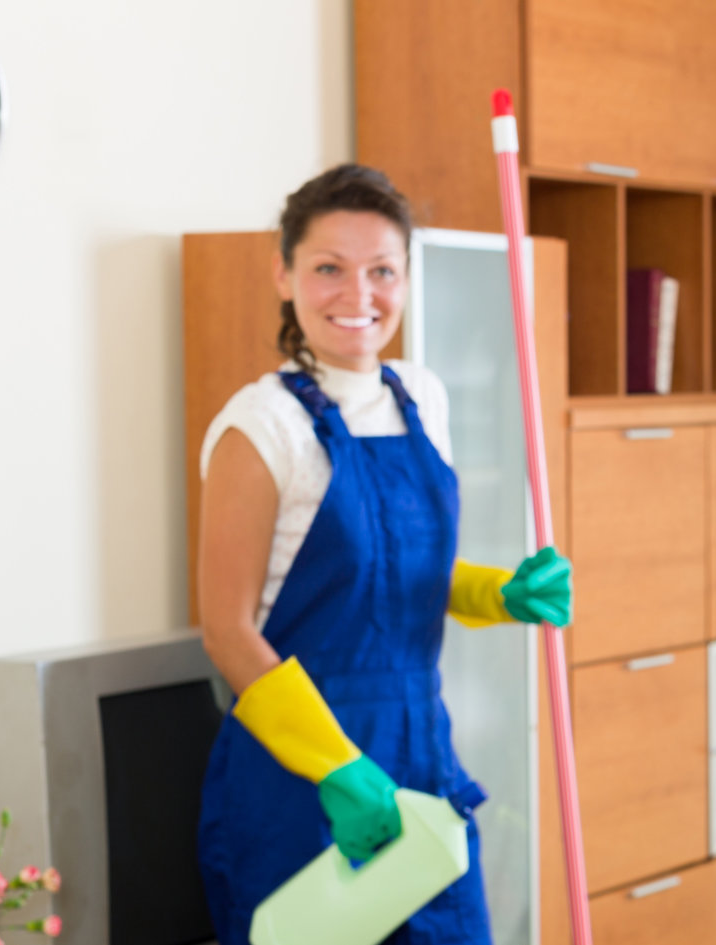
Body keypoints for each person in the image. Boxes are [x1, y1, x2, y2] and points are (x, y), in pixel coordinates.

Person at [193, 164, 572, 945]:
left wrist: (505, 593)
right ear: (284, 271)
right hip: (298, 784)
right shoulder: (260, 426)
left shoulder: (421, 396)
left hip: (419, 755)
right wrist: (334, 765)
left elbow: (401, 578)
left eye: (382, 270)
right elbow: (226, 630)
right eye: (328, 267)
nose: (356, 293)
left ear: (405, 278)